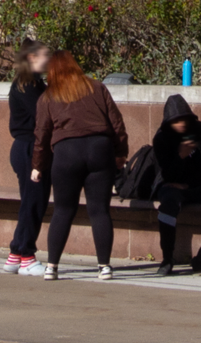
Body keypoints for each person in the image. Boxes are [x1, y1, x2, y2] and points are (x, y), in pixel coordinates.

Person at [29, 49, 128, 281]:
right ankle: (104, 266)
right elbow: (117, 123)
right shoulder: (97, 88)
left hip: (67, 152)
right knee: (100, 210)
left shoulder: (48, 97)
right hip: (100, 149)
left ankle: (52, 266)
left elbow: (41, 134)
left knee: (63, 210)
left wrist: (38, 165)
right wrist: (120, 154)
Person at [149, 92, 201, 274]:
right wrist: (180, 155)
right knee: (168, 204)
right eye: (176, 121)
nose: (181, 124)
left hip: (197, 186)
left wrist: (189, 185)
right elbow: (166, 173)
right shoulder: (162, 138)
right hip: (172, 186)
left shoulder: (199, 130)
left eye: (184, 119)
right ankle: (167, 258)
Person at [3, 40, 52, 275]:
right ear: (32, 57)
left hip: (26, 147)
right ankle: (27, 256)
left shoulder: (31, 83)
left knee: (30, 202)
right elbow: (44, 117)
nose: (48, 61)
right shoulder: (28, 86)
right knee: (34, 202)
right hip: (30, 149)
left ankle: (16, 253)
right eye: (45, 56)